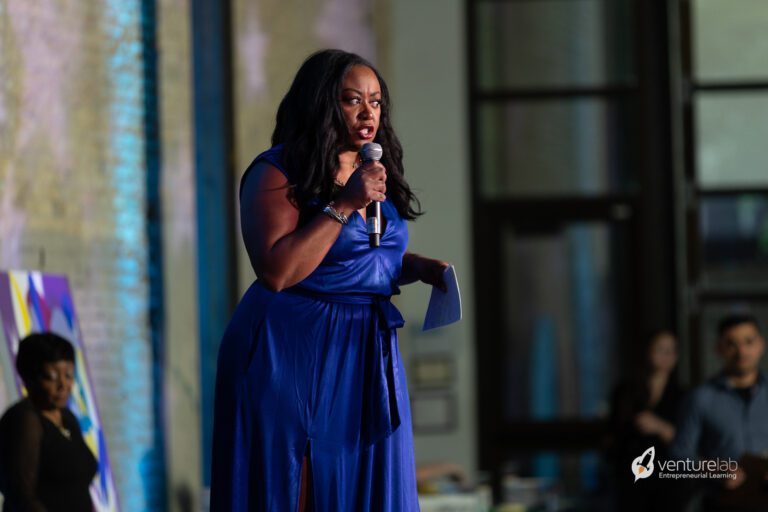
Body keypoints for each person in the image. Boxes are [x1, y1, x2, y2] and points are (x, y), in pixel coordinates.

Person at [210, 49, 450, 511]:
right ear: (323, 103)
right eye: (352, 100)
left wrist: (412, 266)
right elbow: (279, 271)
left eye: (376, 102)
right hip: (292, 348)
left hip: (363, 350)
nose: (368, 113)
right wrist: (343, 204)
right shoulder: (277, 171)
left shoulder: (373, 172)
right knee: (297, 483)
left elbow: (349, 261)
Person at [671, 313, 768, 511]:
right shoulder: (700, 398)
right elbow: (678, 458)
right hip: (722, 503)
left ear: (761, 345)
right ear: (719, 348)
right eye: (732, 343)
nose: (742, 351)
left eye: (749, 342)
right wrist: (713, 470)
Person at [0, 332, 97, 512]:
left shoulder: (67, 417)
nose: (63, 386)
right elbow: (21, 496)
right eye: (51, 377)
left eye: (68, 375)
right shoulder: (24, 420)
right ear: (30, 378)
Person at [607, 330, 684, 511]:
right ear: (647, 351)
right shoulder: (625, 391)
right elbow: (614, 433)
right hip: (631, 475)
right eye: (660, 349)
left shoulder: (681, 395)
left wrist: (661, 427)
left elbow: (687, 442)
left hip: (667, 475)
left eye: (671, 350)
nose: (666, 356)